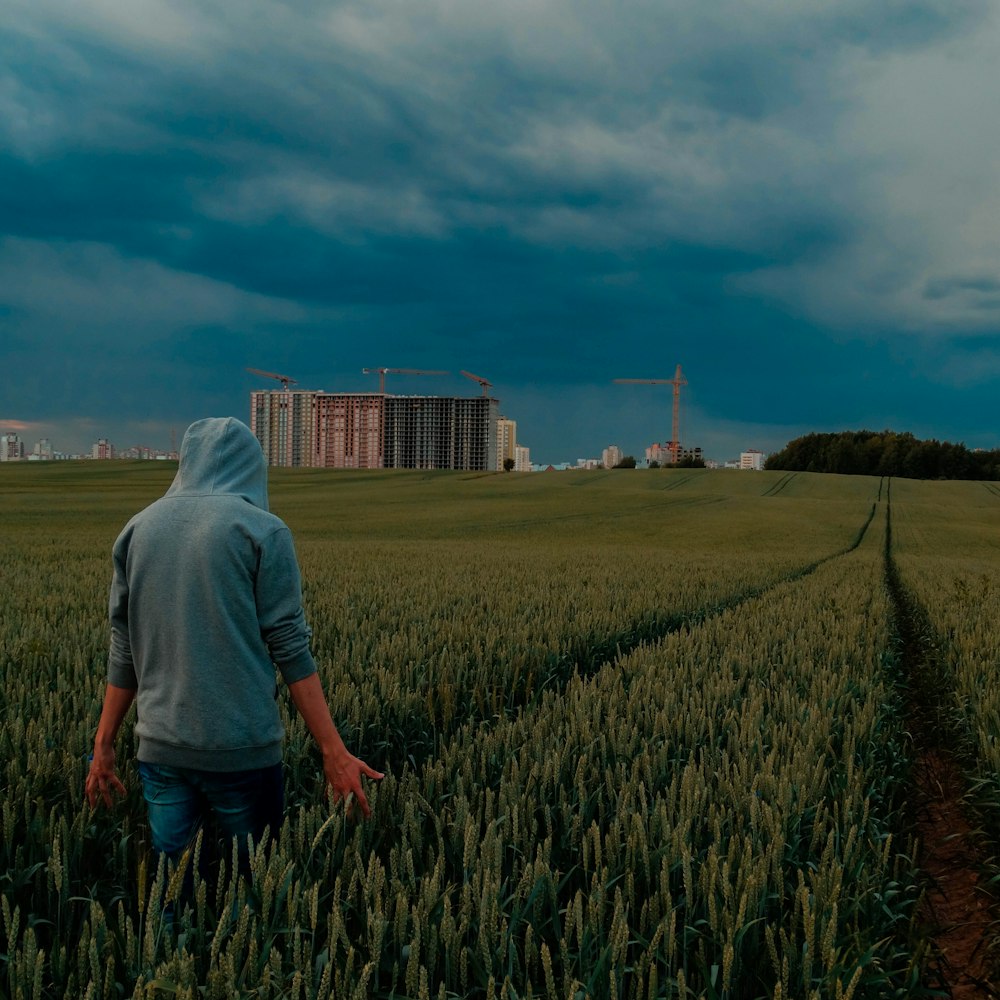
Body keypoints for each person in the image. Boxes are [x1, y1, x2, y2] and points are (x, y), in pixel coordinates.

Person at [85, 416, 382, 873]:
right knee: (254, 890)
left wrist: (103, 745)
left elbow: (123, 647)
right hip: (242, 750)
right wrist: (333, 751)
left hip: (161, 750)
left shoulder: (137, 530)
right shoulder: (262, 530)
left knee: (171, 894)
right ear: (252, 467)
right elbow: (289, 647)